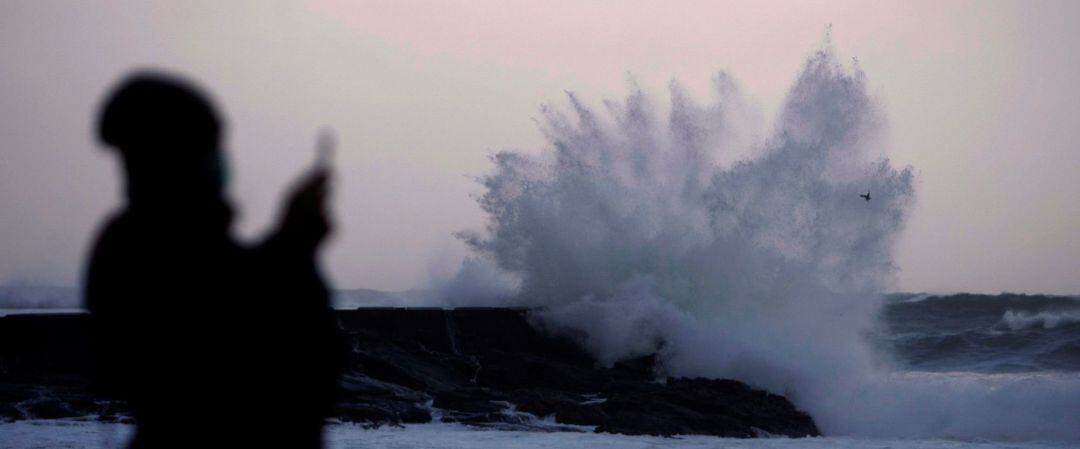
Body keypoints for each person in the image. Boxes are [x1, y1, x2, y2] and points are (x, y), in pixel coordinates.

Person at [84, 72, 343, 449]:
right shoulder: (146, 244)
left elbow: (232, 288)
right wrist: (294, 247)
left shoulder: (126, 240)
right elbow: (243, 345)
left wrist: (291, 244)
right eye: (209, 148)